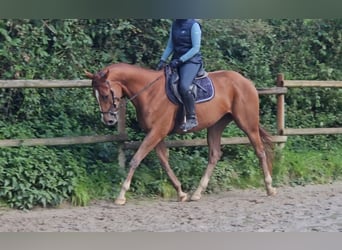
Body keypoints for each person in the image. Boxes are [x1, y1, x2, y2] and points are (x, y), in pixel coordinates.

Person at [156, 19, 203, 131]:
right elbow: (170, 46)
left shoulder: (194, 25)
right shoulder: (175, 24)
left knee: (184, 86)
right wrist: (162, 60)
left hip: (191, 61)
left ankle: (192, 118)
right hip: (176, 60)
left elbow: (195, 48)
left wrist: (180, 60)